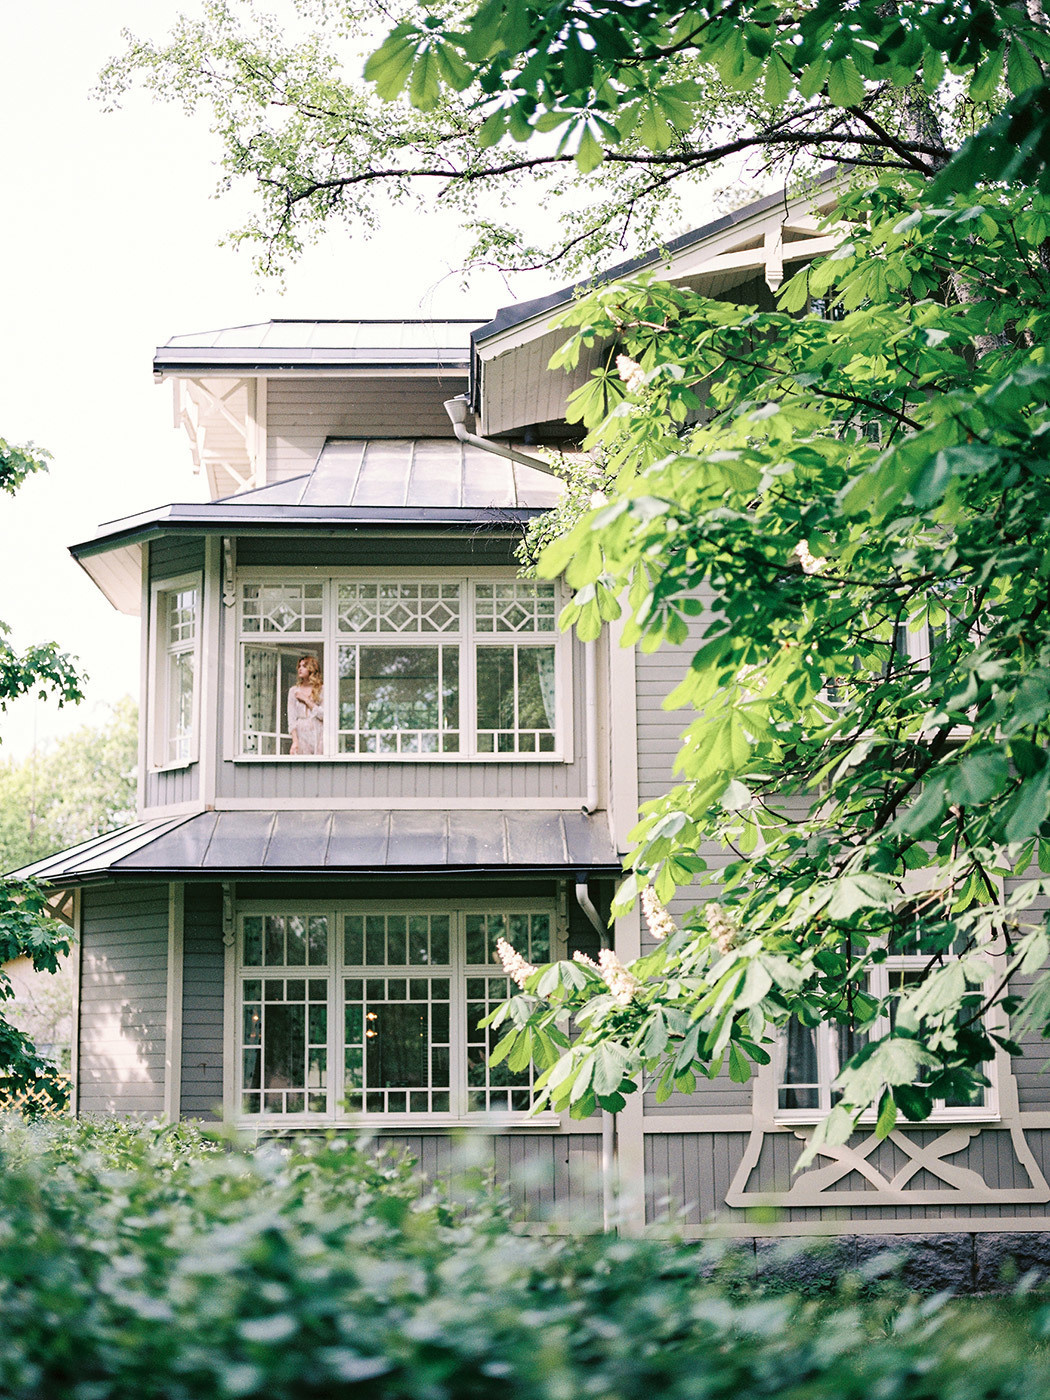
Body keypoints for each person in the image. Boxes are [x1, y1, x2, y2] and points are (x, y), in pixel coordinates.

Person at [288, 654, 324, 754]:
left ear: (311, 669)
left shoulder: (321, 689)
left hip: (318, 733)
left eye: (304, 666)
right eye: (299, 666)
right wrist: (295, 741)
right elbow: (291, 719)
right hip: (301, 734)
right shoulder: (294, 691)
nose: (300, 669)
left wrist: (306, 700)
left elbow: (323, 715)